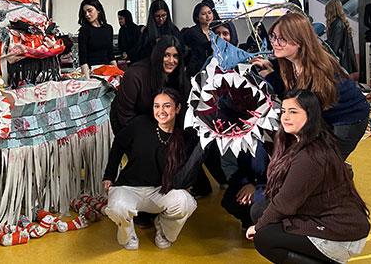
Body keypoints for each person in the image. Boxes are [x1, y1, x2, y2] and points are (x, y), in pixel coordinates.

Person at [247, 90, 370, 264]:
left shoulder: (311, 156)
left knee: (265, 237)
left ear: (310, 115)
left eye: (293, 112)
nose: (285, 117)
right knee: (260, 210)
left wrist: (258, 227)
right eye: (283, 111)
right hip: (321, 213)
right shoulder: (298, 142)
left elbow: (284, 203)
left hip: (340, 230)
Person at [252, 12, 370, 159]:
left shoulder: (319, 71)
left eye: (282, 39)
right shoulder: (289, 61)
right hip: (326, 116)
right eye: (273, 37)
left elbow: (302, 105)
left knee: (327, 163)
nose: (275, 43)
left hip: (349, 118)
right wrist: (271, 65)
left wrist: (270, 76)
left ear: (300, 41)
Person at [103, 88, 197, 250]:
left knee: (185, 203)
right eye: (156, 106)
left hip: (161, 191)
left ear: (178, 108)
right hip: (129, 188)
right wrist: (109, 175)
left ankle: (163, 229)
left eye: (167, 106)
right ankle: (128, 233)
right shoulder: (140, 123)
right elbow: (119, 144)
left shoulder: (184, 135)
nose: (161, 111)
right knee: (116, 208)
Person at [109, 36, 189, 134]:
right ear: (158, 55)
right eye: (166, 55)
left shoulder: (178, 75)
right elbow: (124, 115)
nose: (171, 61)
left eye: (175, 56)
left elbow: (183, 110)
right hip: (131, 127)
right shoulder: (135, 75)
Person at [220, 142, 269, 233]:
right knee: (230, 201)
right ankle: (248, 221)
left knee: (259, 206)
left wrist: (258, 187)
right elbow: (229, 166)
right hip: (246, 182)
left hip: (270, 185)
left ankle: (268, 226)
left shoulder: (269, 137)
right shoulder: (230, 140)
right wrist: (246, 183)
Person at [76, 0, 116, 78]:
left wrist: (116, 73)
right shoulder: (84, 30)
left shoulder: (108, 28)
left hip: (107, 71)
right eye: (85, 12)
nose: (87, 14)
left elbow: (111, 54)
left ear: (98, 10)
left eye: (90, 11)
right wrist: (88, 81)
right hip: (92, 72)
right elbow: (83, 59)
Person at [181, 3, 215, 78]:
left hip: (212, 67)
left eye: (209, 13)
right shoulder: (192, 32)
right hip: (196, 68)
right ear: (197, 17)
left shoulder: (215, 30)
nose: (208, 16)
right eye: (203, 14)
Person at [326, 0, 358, 75]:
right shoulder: (339, 23)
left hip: (339, 63)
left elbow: (334, 47)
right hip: (342, 61)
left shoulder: (337, 25)